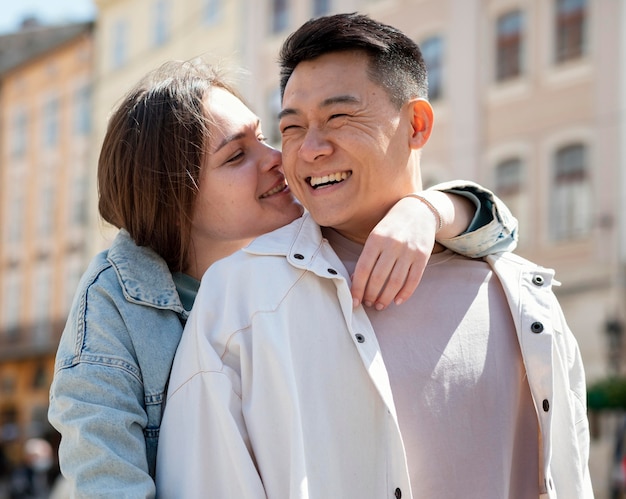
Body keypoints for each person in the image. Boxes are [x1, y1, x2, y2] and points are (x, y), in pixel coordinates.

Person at [156, 13, 593, 499]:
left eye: (338, 117)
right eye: (293, 127)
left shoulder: (526, 300)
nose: (310, 149)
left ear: (417, 124)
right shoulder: (239, 300)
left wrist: (433, 209)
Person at [47, 58, 518, 498]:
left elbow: (500, 235)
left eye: (265, 136)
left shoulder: (314, 238)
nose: (276, 157)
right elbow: (106, 475)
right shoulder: (116, 303)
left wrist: (429, 210)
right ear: (173, 198)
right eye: (237, 156)